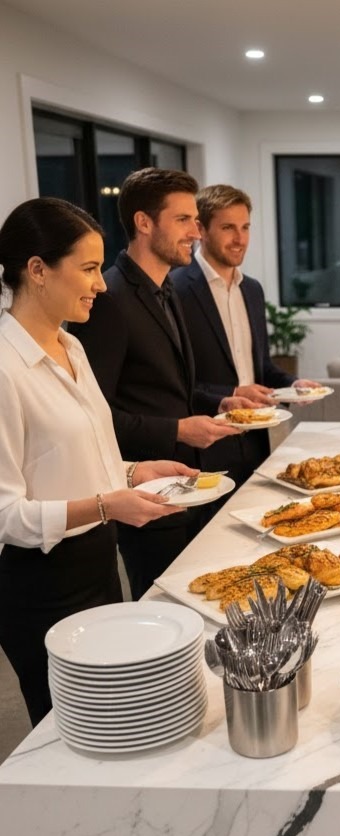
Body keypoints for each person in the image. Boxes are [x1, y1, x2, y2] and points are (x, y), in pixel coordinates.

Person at [0, 197, 198, 724]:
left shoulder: (73, 346)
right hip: (37, 584)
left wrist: (135, 473)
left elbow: (82, 461)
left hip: (99, 564)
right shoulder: (4, 368)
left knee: (123, 715)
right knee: (71, 731)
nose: (102, 284)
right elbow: (7, 516)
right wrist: (108, 504)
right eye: (88, 269)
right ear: (37, 270)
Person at [69, 168, 241, 599]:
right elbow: (95, 415)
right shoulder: (108, 300)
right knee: (168, 609)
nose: (196, 233)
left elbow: (172, 388)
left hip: (187, 481)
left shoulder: (167, 289)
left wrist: (221, 401)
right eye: (184, 219)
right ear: (144, 223)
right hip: (148, 494)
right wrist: (178, 429)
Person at [171, 184, 321, 495]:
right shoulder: (175, 290)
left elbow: (261, 368)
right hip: (207, 447)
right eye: (228, 228)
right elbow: (176, 383)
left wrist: (292, 385)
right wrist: (232, 392)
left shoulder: (251, 290)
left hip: (258, 441)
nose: (240, 239)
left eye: (245, 227)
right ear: (201, 229)